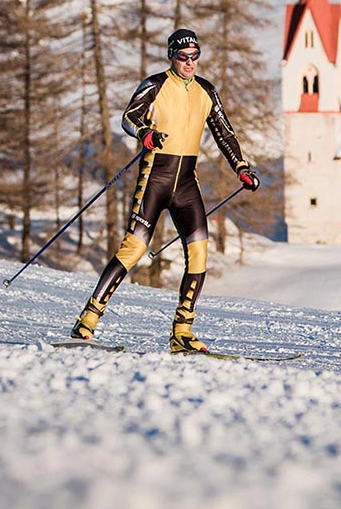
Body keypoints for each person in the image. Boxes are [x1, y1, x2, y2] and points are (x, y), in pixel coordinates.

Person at [69, 28, 260, 353]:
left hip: (186, 182)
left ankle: (182, 331)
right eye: (184, 57)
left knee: (200, 251)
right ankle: (88, 318)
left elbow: (224, 133)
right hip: (155, 178)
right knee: (134, 249)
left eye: (195, 56)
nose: (190, 63)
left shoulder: (205, 91)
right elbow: (129, 118)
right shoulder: (155, 84)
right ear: (172, 56)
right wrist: (145, 133)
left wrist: (240, 167)